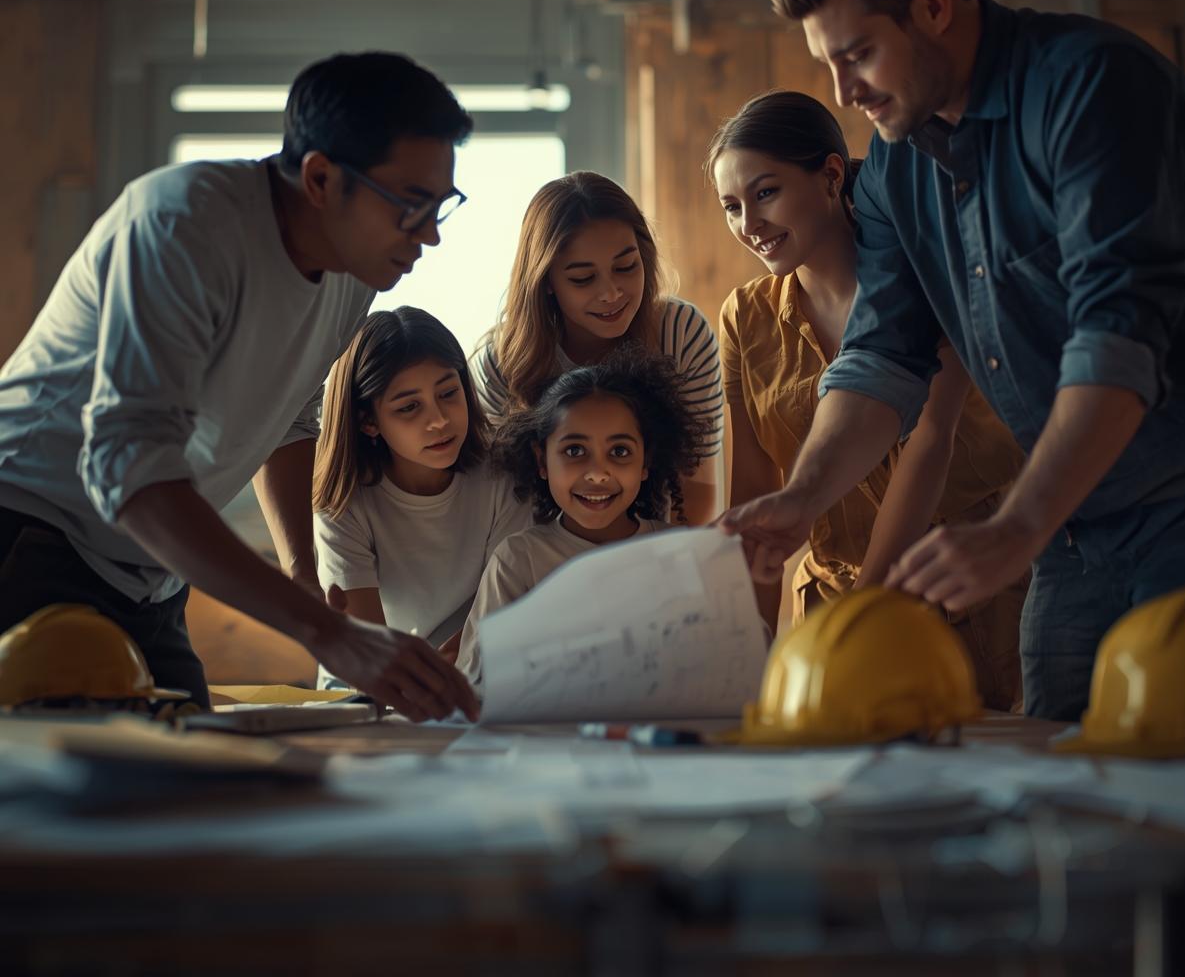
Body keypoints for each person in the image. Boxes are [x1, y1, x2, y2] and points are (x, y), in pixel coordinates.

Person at [723, 0, 1185, 721]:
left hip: (1184, 503)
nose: (844, 92)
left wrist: (1015, 526)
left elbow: (1118, 338)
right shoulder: (899, 165)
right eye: (829, 64)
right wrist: (804, 499)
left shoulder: (1091, 87)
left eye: (859, 54)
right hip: (1074, 531)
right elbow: (881, 358)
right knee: (1056, 788)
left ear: (934, 7)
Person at [0, 51, 480, 722]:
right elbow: (127, 465)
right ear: (320, 178)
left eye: (441, 205)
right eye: (410, 205)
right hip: (30, 534)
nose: (429, 234)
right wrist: (330, 634)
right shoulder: (183, 227)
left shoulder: (354, 272)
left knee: (191, 788)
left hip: (148, 573)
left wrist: (302, 573)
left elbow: (286, 419)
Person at [710, 90, 1026, 709]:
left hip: (971, 601)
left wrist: (866, 613)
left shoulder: (924, 278)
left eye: (766, 193)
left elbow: (927, 444)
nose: (749, 225)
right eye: (731, 206)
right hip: (827, 611)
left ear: (830, 175)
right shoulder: (744, 318)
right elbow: (753, 495)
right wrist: (751, 648)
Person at [472, 171, 724, 524]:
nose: (611, 293)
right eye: (582, 278)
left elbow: (696, 491)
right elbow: (507, 505)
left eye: (625, 267)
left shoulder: (681, 332)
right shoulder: (502, 362)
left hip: (658, 555)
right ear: (546, 281)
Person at [456, 346, 703, 685]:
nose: (597, 474)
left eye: (619, 452)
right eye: (575, 451)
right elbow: (477, 681)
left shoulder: (680, 554)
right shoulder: (518, 562)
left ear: (646, 462)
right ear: (542, 461)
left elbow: (726, 659)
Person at [313, 307, 530, 667]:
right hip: (373, 679)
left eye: (448, 393)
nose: (439, 420)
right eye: (410, 407)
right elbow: (367, 648)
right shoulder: (343, 500)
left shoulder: (503, 471)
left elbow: (504, 609)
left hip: (485, 665)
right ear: (368, 421)